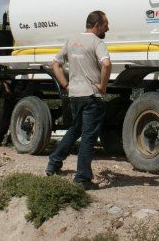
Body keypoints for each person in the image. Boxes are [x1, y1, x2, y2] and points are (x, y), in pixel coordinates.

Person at [46, 10, 112, 190]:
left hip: (74, 95)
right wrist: (103, 86)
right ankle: (82, 178)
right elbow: (106, 64)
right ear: (97, 25)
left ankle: (54, 163)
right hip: (91, 96)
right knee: (88, 137)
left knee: (75, 130)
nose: (108, 28)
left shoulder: (71, 40)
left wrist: (66, 85)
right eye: (106, 25)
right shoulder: (97, 42)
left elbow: (55, 64)